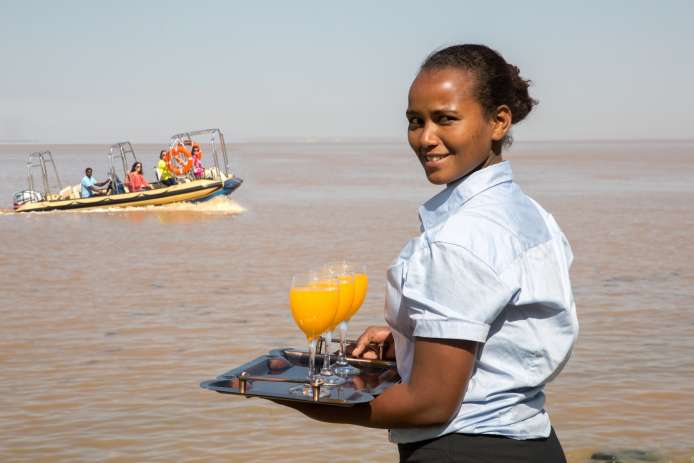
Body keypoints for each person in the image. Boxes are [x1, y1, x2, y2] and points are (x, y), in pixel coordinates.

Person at [272, 44, 578, 462]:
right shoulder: (533, 217)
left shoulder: (458, 239)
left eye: (445, 119)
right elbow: (510, 334)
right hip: (535, 444)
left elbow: (430, 404)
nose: (425, 138)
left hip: (460, 450)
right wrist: (411, 342)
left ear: (498, 121)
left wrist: (303, 397)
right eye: (415, 121)